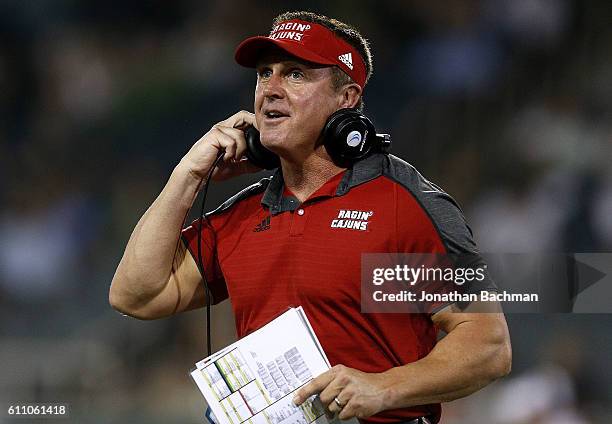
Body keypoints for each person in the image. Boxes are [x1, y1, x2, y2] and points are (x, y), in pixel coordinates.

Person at [109, 11, 511, 424]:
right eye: (265, 73)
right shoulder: (244, 217)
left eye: (296, 74)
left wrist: (383, 387)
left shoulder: (398, 206)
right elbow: (135, 295)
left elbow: (487, 344)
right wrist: (187, 175)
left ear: (347, 98)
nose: (271, 90)